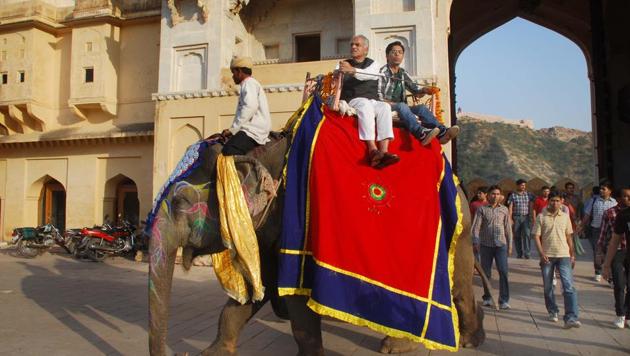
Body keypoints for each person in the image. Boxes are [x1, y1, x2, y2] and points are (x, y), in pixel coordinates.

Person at [377, 41, 459, 145]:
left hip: (403, 108)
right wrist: (395, 104)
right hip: (387, 106)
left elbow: (416, 92)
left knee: (421, 108)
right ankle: (420, 133)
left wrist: (425, 90)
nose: (397, 54)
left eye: (400, 52)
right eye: (394, 52)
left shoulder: (403, 73)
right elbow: (379, 98)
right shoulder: (383, 72)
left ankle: (442, 132)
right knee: (402, 106)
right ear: (387, 56)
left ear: (403, 56)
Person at [337, 35, 398, 169]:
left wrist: (352, 70)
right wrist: (343, 70)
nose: (353, 47)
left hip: (372, 100)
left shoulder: (373, 64)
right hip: (353, 99)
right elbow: (336, 78)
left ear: (366, 49)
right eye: (352, 44)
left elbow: (368, 74)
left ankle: (384, 151)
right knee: (364, 105)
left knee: (384, 107)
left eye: (357, 45)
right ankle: (372, 149)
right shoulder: (342, 64)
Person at [533, 192, 581, 328]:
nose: (555, 203)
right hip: (547, 256)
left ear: (562, 202)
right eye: (552, 201)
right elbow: (536, 236)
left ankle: (571, 317)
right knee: (548, 287)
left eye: (557, 201)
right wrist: (541, 253)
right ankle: (553, 310)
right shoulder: (541, 217)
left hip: (564, 255)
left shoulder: (565, 217)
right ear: (549, 201)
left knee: (568, 287)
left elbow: (569, 237)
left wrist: (572, 255)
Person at [472, 185, 513, 309]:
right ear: (488, 195)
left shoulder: (504, 210)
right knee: (486, 273)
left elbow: (508, 228)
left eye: (498, 194)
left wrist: (510, 245)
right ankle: (488, 297)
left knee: (503, 272)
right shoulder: (482, 209)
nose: (495, 196)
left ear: (500, 196)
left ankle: (504, 300)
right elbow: (476, 228)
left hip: (501, 245)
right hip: (486, 246)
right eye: (493, 194)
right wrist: (476, 242)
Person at [221, 56, 271, 156]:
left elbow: (250, 107)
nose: (232, 76)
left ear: (239, 71)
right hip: (250, 128)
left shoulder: (249, 83)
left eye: (233, 73)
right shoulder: (249, 84)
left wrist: (233, 129)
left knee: (228, 151)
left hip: (253, 130)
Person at [597, 187, 630, 328]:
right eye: (624, 196)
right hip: (618, 252)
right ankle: (620, 314)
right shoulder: (621, 215)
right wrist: (605, 264)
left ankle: (628, 314)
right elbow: (611, 238)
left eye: (629, 196)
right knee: (619, 283)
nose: (626, 199)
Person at [579, 182, 617, 281]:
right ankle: (598, 271)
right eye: (600, 189)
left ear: (609, 191)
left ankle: (611, 275)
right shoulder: (594, 200)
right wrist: (581, 227)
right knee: (597, 250)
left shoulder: (614, 202)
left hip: (610, 231)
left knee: (610, 251)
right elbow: (587, 215)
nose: (601, 190)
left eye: (603, 189)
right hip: (596, 230)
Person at [508, 179, 536, 259]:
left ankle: (527, 253)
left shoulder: (529, 194)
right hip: (516, 217)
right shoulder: (513, 195)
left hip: (526, 217)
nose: (523, 187)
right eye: (521, 185)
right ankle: (519, 253)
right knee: (517, 235)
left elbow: (536, 201)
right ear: (517, 186)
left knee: (527, 234)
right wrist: (510, 218)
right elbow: (510, 207)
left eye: (524, 185)